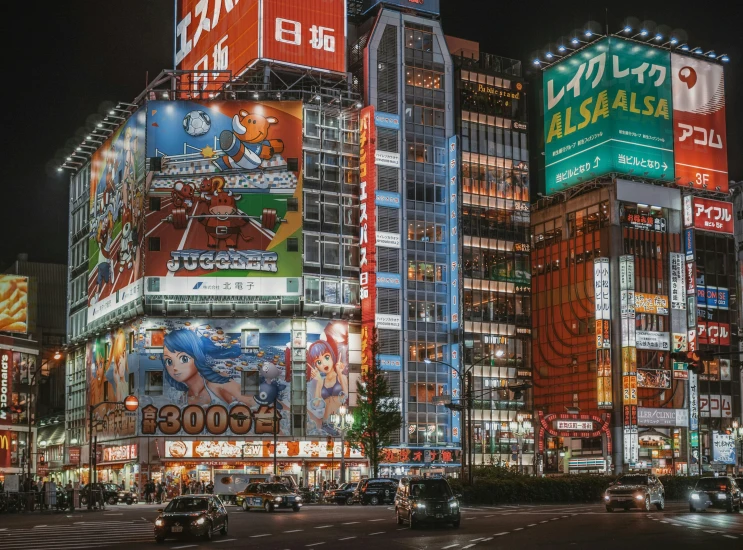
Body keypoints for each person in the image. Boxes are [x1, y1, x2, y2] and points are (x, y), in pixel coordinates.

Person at [161, 329, 256, 407]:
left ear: (198, 356)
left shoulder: (217, 384)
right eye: (169, 361)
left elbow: (254, 405)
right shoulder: (181, 395)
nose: (175, 367)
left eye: (184, 359)